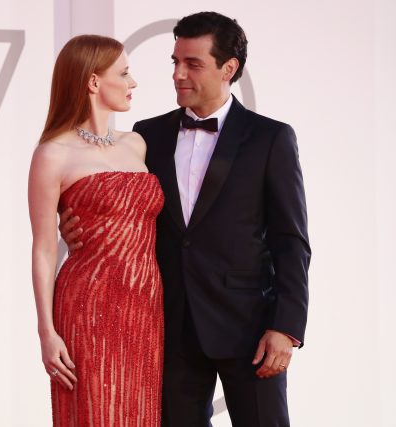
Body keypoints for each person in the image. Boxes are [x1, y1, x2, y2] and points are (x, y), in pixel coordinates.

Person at [60, 12, 310, 427]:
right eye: (175, 61)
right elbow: (121, 207)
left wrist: (285, 327)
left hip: (249, 328)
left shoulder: (270, 137)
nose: (178, 74)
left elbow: (291, 240)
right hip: (167, 326)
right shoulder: (146, 135)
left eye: (193, 64)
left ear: (228, 68)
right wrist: (77, 227)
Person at [28, 35, 165, 426]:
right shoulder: (53, 154)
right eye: (124, 73)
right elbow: (43, 248)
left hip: (145, 307)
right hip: (89, 306)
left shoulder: (136, 144)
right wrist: (46, 332)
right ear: (93, 81)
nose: (133, 83)